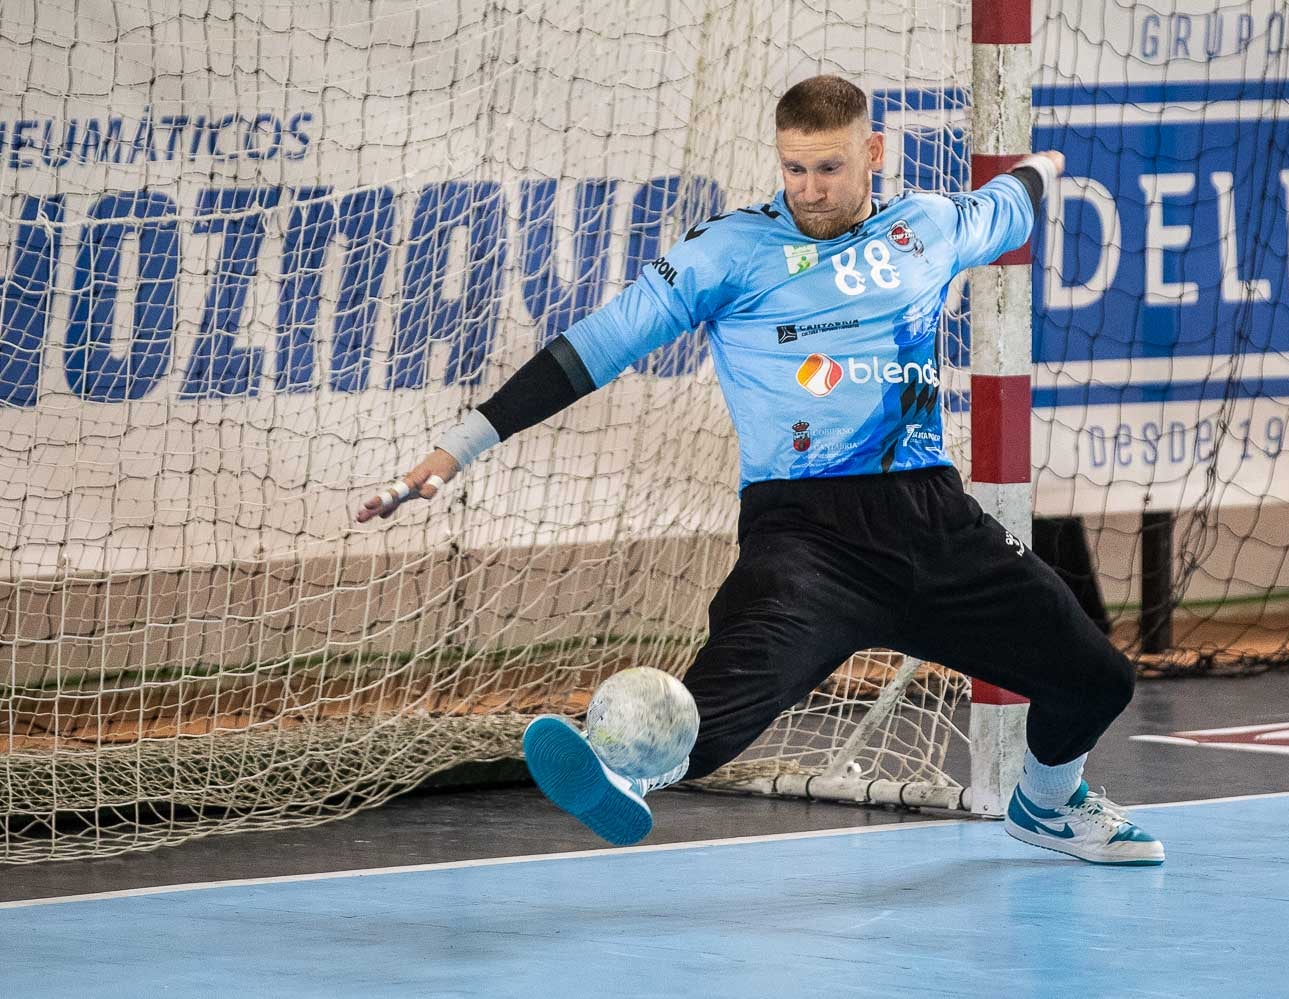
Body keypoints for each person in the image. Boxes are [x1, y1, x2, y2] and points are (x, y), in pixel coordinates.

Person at [357, 75, 1164, 866]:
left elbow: (1009, 201)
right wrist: (455, 449)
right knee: (709, 725)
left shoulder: (928, 226)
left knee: (1095, 679)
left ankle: (1047, 806)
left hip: (934, 521)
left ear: (872, 152)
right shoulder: (728, 252)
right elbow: (595, 346)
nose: (808, 189)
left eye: (828, 168)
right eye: (793, 167)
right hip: (807, 539)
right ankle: (621, 761)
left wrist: (1044, 168)